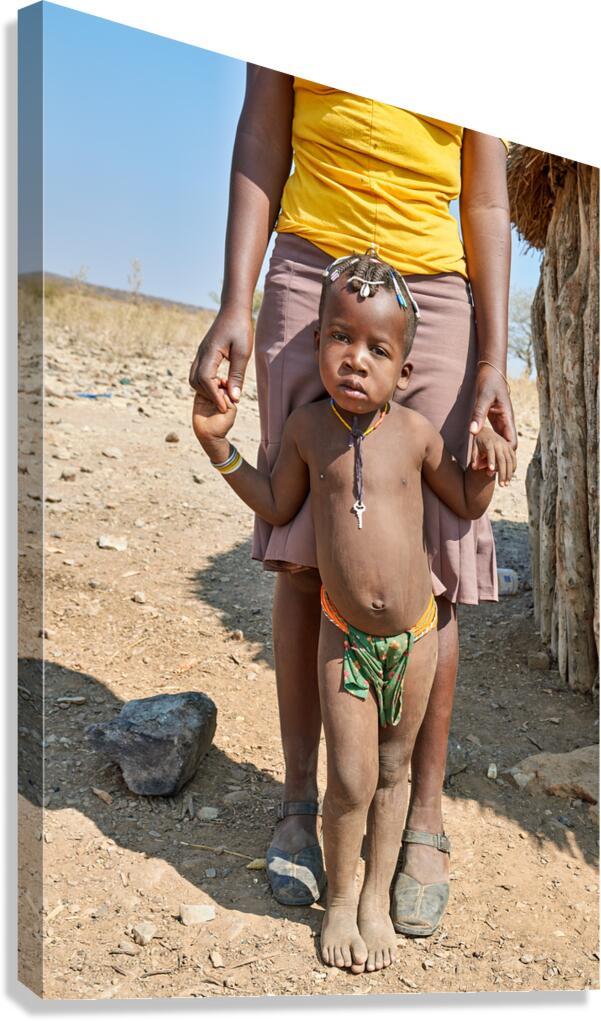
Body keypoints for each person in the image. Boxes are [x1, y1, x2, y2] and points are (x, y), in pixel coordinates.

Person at [189, 69, 517, 935]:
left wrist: (490, 354)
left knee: (437, 560)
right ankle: (301, 796)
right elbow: (263, 134)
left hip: (433, 291)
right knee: (301, 545)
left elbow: (483, 195)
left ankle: (421, 815)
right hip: (309, 269)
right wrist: (236, 299)